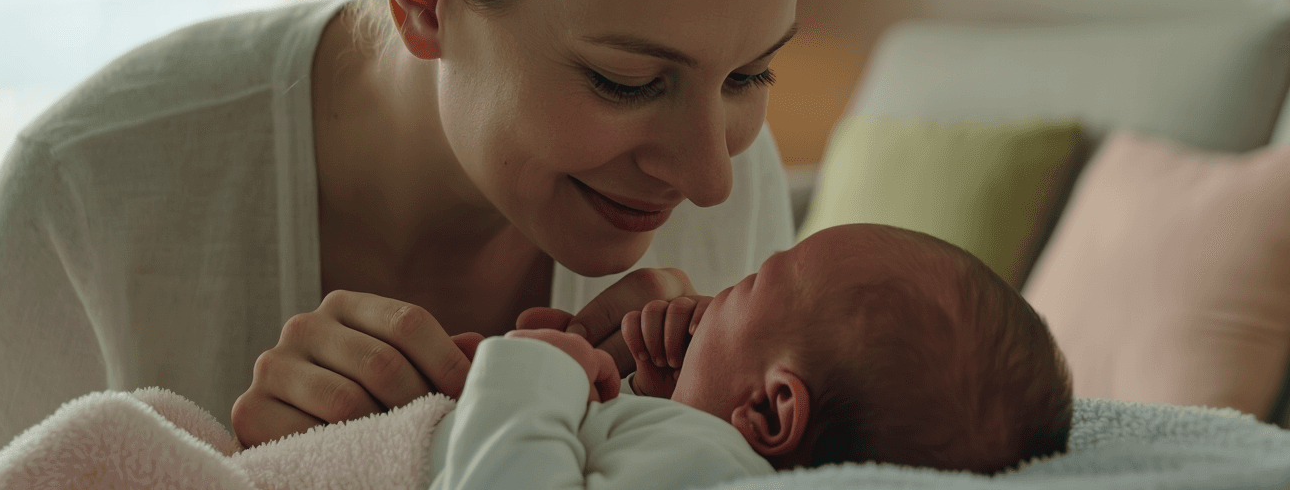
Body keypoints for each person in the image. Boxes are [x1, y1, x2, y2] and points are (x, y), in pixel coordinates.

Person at [0, 0, 809, 479]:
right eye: (627, 80)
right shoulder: (82, 196)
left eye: (749, 73)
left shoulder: (737, 183)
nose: (709, 178)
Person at [430, 223, 1074, 489]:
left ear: (770, 408)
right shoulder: (703, 451)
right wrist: (653, 400)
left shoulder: (706, 462)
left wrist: (536, 371)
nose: (720, 292)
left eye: (756, 282)